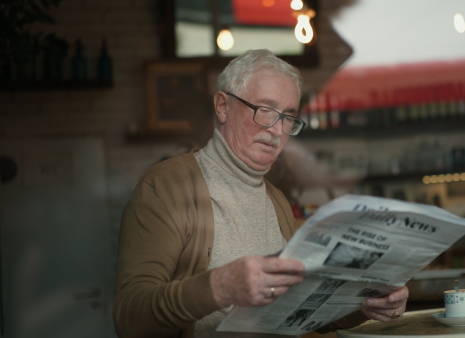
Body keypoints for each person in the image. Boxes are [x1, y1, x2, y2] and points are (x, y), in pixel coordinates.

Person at [113, 49, 409, 338]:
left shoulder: (276, 199)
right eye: (265, 110)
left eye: (288, 117)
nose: (278, 131)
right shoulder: (166, 187)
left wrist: (368, 302)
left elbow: (303, 310)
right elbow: (130, 318)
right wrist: (219, 287)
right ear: (223, 106)